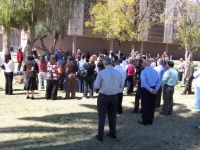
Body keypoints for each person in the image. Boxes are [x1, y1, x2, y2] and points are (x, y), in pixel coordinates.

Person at [94, 57, 123, 142]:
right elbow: (121, 85)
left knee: (102, 116)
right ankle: (113, 133)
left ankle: (100, 136)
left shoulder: (101, 73)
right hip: (114, 96)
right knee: (113, 116)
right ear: (112, 63)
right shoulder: (118, 73)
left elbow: (96, 86)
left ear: (104, 64)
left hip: (103, 96)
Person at [138, 59, 160, 125]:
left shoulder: (144, 72)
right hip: (154, 89)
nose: (141, 64)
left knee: (145, 105)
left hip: (147, 90)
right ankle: (150, 120)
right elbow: (159, 81)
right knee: (152, 105)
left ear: (145, 64)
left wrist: (151, 90)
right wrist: (156, 89)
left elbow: (144, 83)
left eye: (142, 63)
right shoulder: (154, 71)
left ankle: (145, 120)